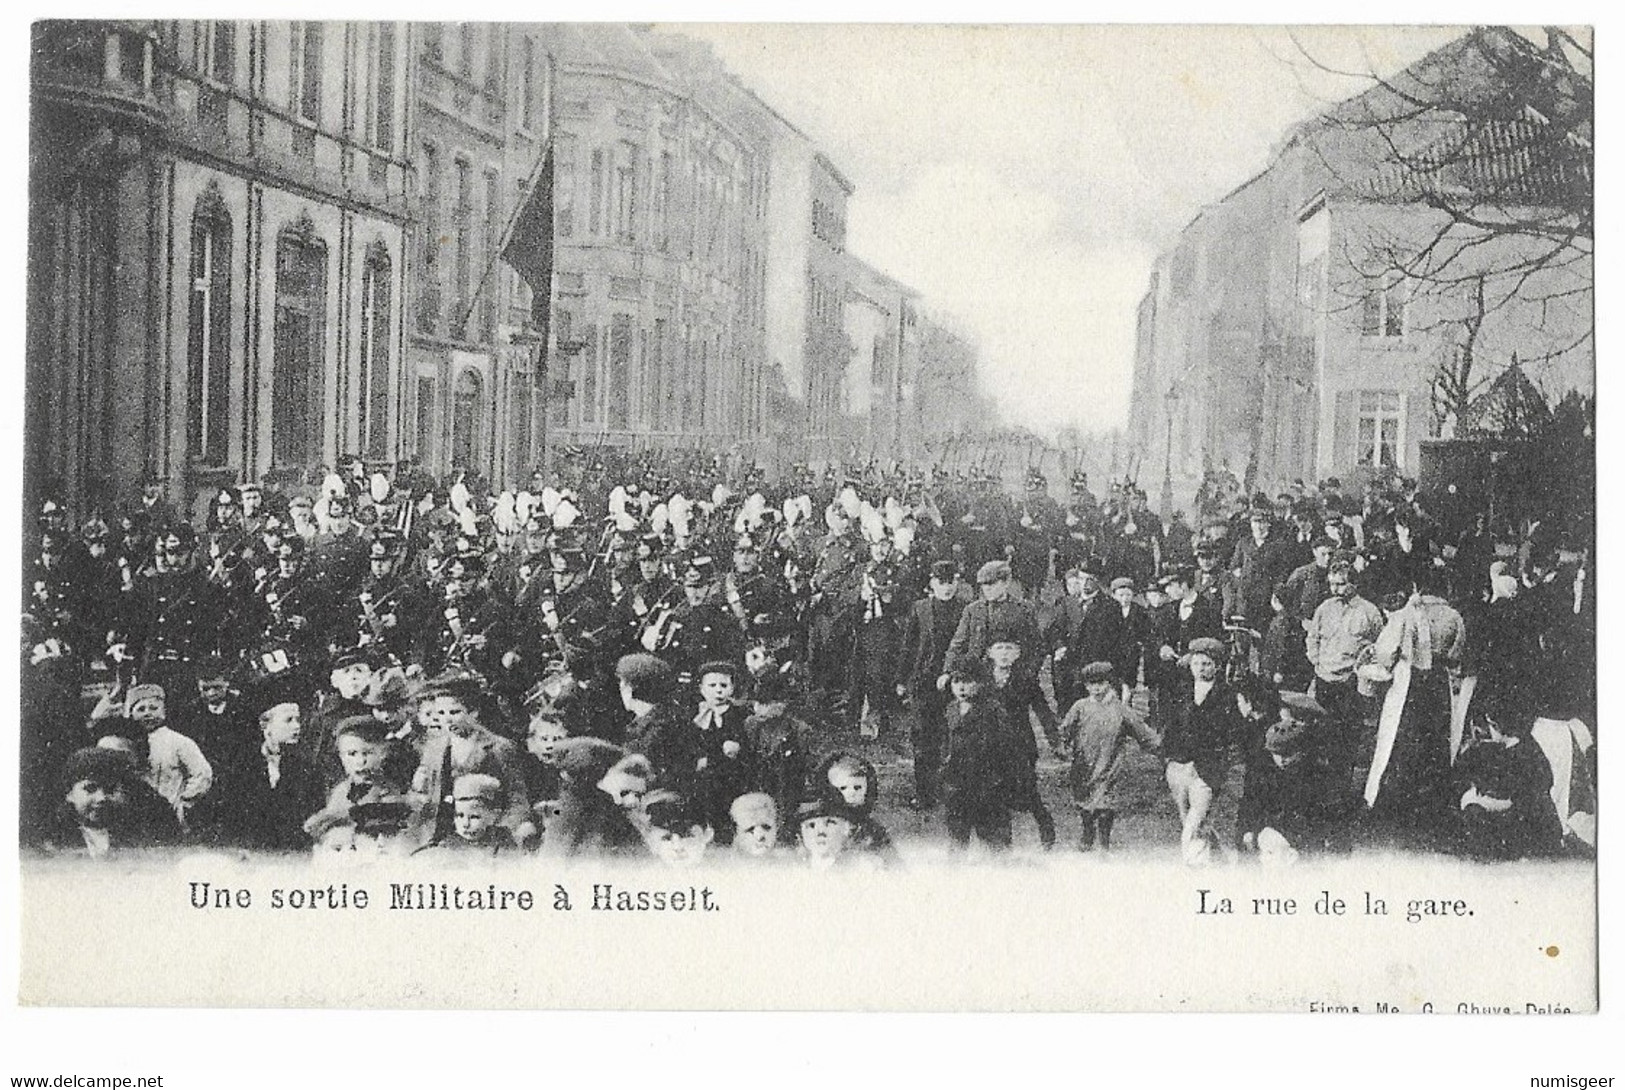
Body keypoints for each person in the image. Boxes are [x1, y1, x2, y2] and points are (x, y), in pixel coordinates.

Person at [1363, 573, 1468, 849]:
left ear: (1416, 585)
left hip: (1409, 688)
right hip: (1438, 689)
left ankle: (1396, 811)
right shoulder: (1453, 616)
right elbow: (1457, 656)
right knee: (1434, 747)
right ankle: (1431, 810)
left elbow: (1385, 655)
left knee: (1400, 746)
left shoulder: (1404, 615)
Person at [1058, 661, 1161, 852]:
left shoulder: (1120, 709)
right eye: (1091, 684)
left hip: (1109, 762)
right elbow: (1065, 730)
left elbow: (1142, 732)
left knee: (1106, 802)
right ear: (1086, 685)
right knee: (1085, 801)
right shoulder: (1080, 707)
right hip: (1084, 763)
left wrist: (1162, 749)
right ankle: (1087, 833)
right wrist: (1061, 746)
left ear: (1109, 683)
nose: (1096, 688)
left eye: (1101, 683)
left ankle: (1104, 842)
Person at [897, 560, 968, 810]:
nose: (946, 588)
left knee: (952, 738)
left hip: (954, 682)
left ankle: (951, 791)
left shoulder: (965, 610)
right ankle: (924, 792)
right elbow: (909, 645)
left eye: (951, 582)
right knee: (923, 739)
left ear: (957, 584)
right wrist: (902, 680)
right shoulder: (920, 608)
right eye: (941, 583)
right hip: (923, 683)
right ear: (932, 584)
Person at [1304, 562, 1385, 783]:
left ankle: (1342, 786)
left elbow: (1379, 646)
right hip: (1324, 679)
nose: (1335, 589)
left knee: (1347, 737)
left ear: (1354, 584)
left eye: (1340, 584)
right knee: (1320, 734)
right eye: (1331, 584)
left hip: (1350, 683)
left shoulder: (1369, 612)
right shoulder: (1324, 608)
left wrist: (1362, 668)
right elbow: (1312, 638)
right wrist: (1317, 662)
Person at [1161, 637, 1238, 865]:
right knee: (1189, 818)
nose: (1201, 669)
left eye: (1206, 664)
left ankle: (1194, 867)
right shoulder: (1181, 691)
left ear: (1217, 666)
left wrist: (1220, 764)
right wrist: (1169, 762)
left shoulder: (1227, 695)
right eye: (1196, 664)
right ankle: (1219, 855)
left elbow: (1231, 734)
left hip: (1207, 770)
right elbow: (1170, 727)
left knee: (1196, 821)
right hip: (1179, 767)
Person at [940, 663, 1023, 855]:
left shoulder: (992, 710)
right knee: (957, 837)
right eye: (956, 682)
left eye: (967, 682)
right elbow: (945, 744)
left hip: (987, 785)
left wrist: (1004, 780)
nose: (961, 688)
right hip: (957, 785)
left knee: (994, 840)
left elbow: (1007, 747)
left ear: (980, 683)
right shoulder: (951, 709)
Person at [37, 746, 180, 857]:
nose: (102, 798)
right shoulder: (52, 840)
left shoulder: (141, 835)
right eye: (90, 789)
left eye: (111, 789)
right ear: (70, 794)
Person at [817, 753, 901, 867]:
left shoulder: (872, 828)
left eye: (858, 788)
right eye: (843, 788)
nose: (852, 793)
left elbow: (892, 859)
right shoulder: (824, 825)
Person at [414, 773, 520, 858]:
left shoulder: (503, 844)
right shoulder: (447, 847)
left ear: (493, 816)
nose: (465, 824)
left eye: (474, 817)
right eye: (459, 815)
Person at [729, 792, 788, 863]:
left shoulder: (789, 863)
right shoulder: (720, 866)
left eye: (766, 827)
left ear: (777, 826)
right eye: (750, 829)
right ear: (735, 832)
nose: (760, 837)